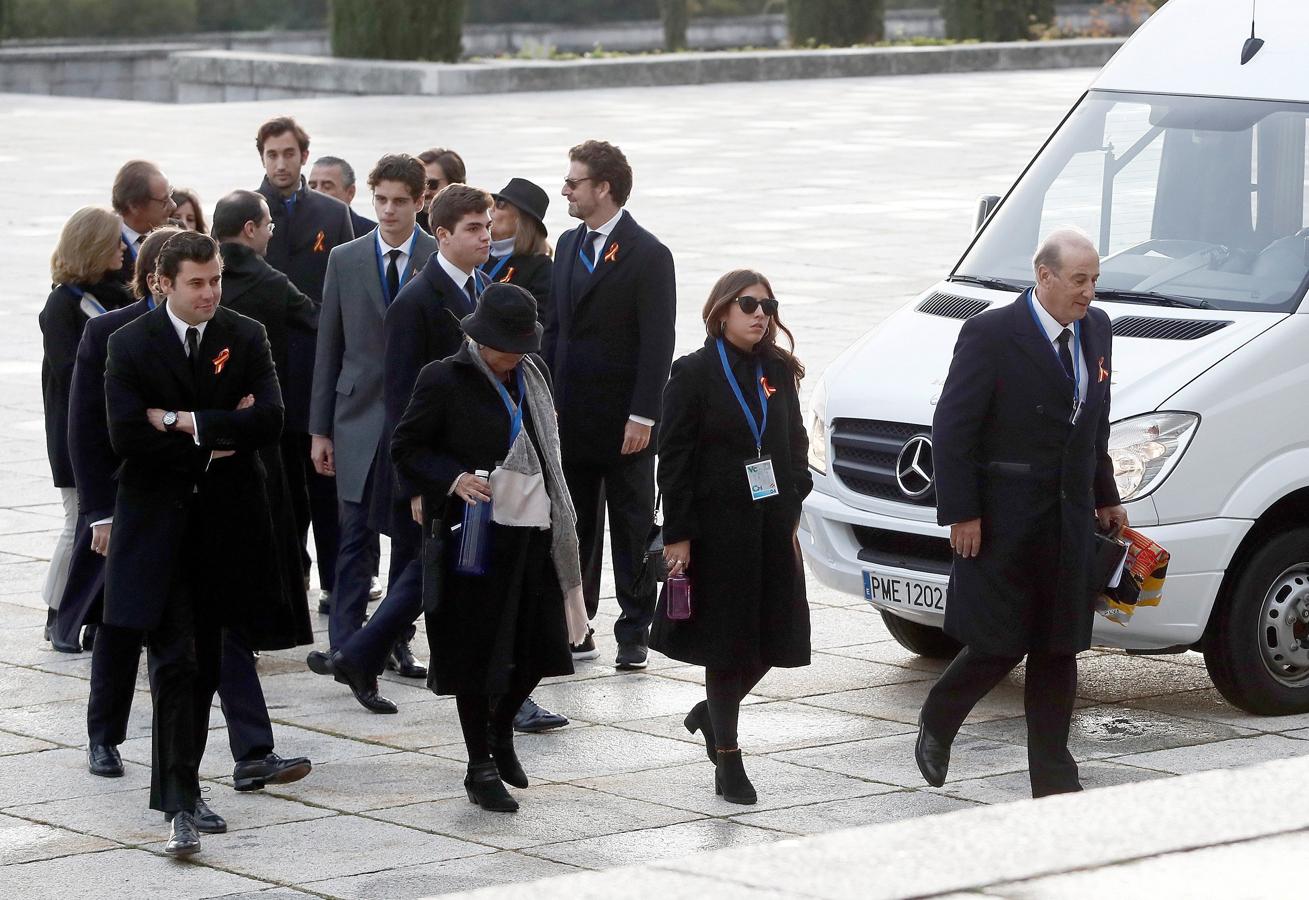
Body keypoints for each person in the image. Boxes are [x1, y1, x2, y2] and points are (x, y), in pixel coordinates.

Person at [68, 227, 313, 797]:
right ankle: (104, 735)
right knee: (125, 629)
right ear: (159, 281)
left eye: (215, 279)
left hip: (219, 519)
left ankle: (252, 751)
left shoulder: (238, 335)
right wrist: (99, 513)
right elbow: (98, 432)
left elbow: (268, 421)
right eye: (196, 282)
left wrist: (184, 422)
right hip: (140, 511)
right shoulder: (113, 336)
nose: (209, 292)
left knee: (214, 642)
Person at [916, 228, 1127, 799]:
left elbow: (1093, 424)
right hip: (1007, 514)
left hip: (1069, 514)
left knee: (1060, 647)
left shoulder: (1099, 329)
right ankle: (940, 716)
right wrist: (961, 511)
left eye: (1095, 281)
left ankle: (1054, 778)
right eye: (1079, 280)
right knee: (1000, 640)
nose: (1089, 293)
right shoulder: (990, 333)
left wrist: (1105, 495)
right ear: (1045, 276)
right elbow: (952, 428)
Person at [391, 283, 588, 813]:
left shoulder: (533, 375)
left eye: (523, 344)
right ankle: (479, 765)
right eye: (507, 345)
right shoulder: (443, 379)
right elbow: (406, 448)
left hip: (536, 533)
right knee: (475, 656)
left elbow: (550, 451)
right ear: (480, 338)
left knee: (543, 646)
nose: (515, 355)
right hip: (473, 538)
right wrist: (452, 478)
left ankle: (502, 730)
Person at [651, 270, 811, 806]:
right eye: (748, 304)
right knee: (728, 645)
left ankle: (710, 713)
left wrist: (794, 495)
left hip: (771, 524)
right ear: (721, 311)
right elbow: (672, 459)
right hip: (718, 530)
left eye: (768, 305)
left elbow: (794, 439)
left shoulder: (778, 369)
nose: (760, 314)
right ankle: (728, 757)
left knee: (778, 634)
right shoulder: (693, 373)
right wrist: (677, 535)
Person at [307, 155, 437, 712]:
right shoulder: (345, 257)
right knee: (354, 537)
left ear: (419, 203)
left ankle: (396, 644)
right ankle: (345, 649)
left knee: (411, 542)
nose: (387, 211)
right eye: (380, 200)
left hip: (413, 421)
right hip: (355, 417)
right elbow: (328, 347)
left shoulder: (437, 256)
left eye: (399, 201)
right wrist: (319, 430)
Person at [543, 139, 676, 668]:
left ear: (603, 188)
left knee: (631, 524)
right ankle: (578, 623)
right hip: (572, 415)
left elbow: (657, 342)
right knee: (574, 526)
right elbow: (554, 330)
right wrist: (546, 399)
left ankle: (634, 629)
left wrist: (643, 415)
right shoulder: (568, 245)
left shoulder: (648, 253)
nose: (565, 190)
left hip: (627, 423)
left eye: (574, 182)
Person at [255, 116, 355, 615]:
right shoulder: (243, 212)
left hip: (320, 366)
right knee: (278, 493)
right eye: (271, 154)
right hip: (264, 368)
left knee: (327, 486)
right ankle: (286, 585)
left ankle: (340, 587)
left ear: (302, 156)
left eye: (288, 153)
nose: (280, 163)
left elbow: (343, 290)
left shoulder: (331, 214)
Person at [39, 206, 134, 650]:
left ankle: (93, 612)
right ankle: (58, 610)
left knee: (97, 524)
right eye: (115, 240)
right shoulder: (61, 304)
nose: (123, 247)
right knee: (76, 520)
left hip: (111, 433)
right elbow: (68, 371)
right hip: (73, 432)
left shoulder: (115, 293)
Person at [484, 178, 553, 310]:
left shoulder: (541, 268)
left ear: (520, 219)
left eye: (500, 205)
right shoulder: (478, 253)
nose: (490, 209)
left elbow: (540, 322)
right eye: (492, 203)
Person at [109, 160, 176, 284]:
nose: (173, 206)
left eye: (171, 195)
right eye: (164, 201)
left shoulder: (175, 234)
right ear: (134, 205)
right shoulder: (107, 246)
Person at [309, 155, 376, 237]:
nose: (317, 192)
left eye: (327, 187)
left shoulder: (372, 235)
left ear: (350, 192)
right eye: (312, 186)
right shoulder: (297, 228)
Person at [416, 147, 466, 234]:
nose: (425, 192)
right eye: (420, 184)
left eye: (432, 184)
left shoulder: (474, 223)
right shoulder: (406, 225)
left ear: (456, 185)